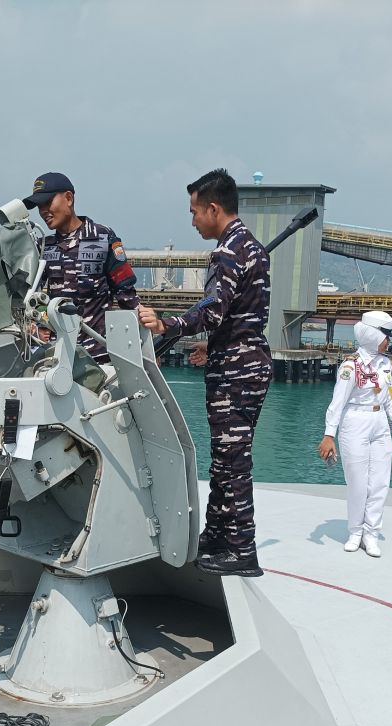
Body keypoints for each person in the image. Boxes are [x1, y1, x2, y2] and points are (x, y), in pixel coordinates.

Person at [137, 168, 271, 577]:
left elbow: (213, 307)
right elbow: (240, 316)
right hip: (240, 360)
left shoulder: (230, 252)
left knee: (233, 461)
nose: (192, 220)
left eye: (195, 211)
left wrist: (169, 326)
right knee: (223, 460)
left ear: (214, 208)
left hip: (238, 372)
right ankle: (217, 535)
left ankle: (242, 549)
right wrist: (210, 343)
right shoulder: (248, 245)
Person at [23, 171, 139, 362]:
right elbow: (31, 295)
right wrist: (39, 324)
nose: (43, 211)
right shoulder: (43, 246)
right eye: (39, 206)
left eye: (47, 202)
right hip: (56, 354)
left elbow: (127, 295)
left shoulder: (103, 238)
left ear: (68, 198)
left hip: (98, 356)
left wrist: (141, 346)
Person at [317, 311, 392, 558]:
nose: (389, 340)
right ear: (373, 335)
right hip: (355, 421)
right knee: (357, 482)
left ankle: (372, 533)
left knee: (379, 482)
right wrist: (329, 434)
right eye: (386, 335)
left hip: (379, 423)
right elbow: (338, 402)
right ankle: (355, 531)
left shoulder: (385, 364)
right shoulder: (350, 366)